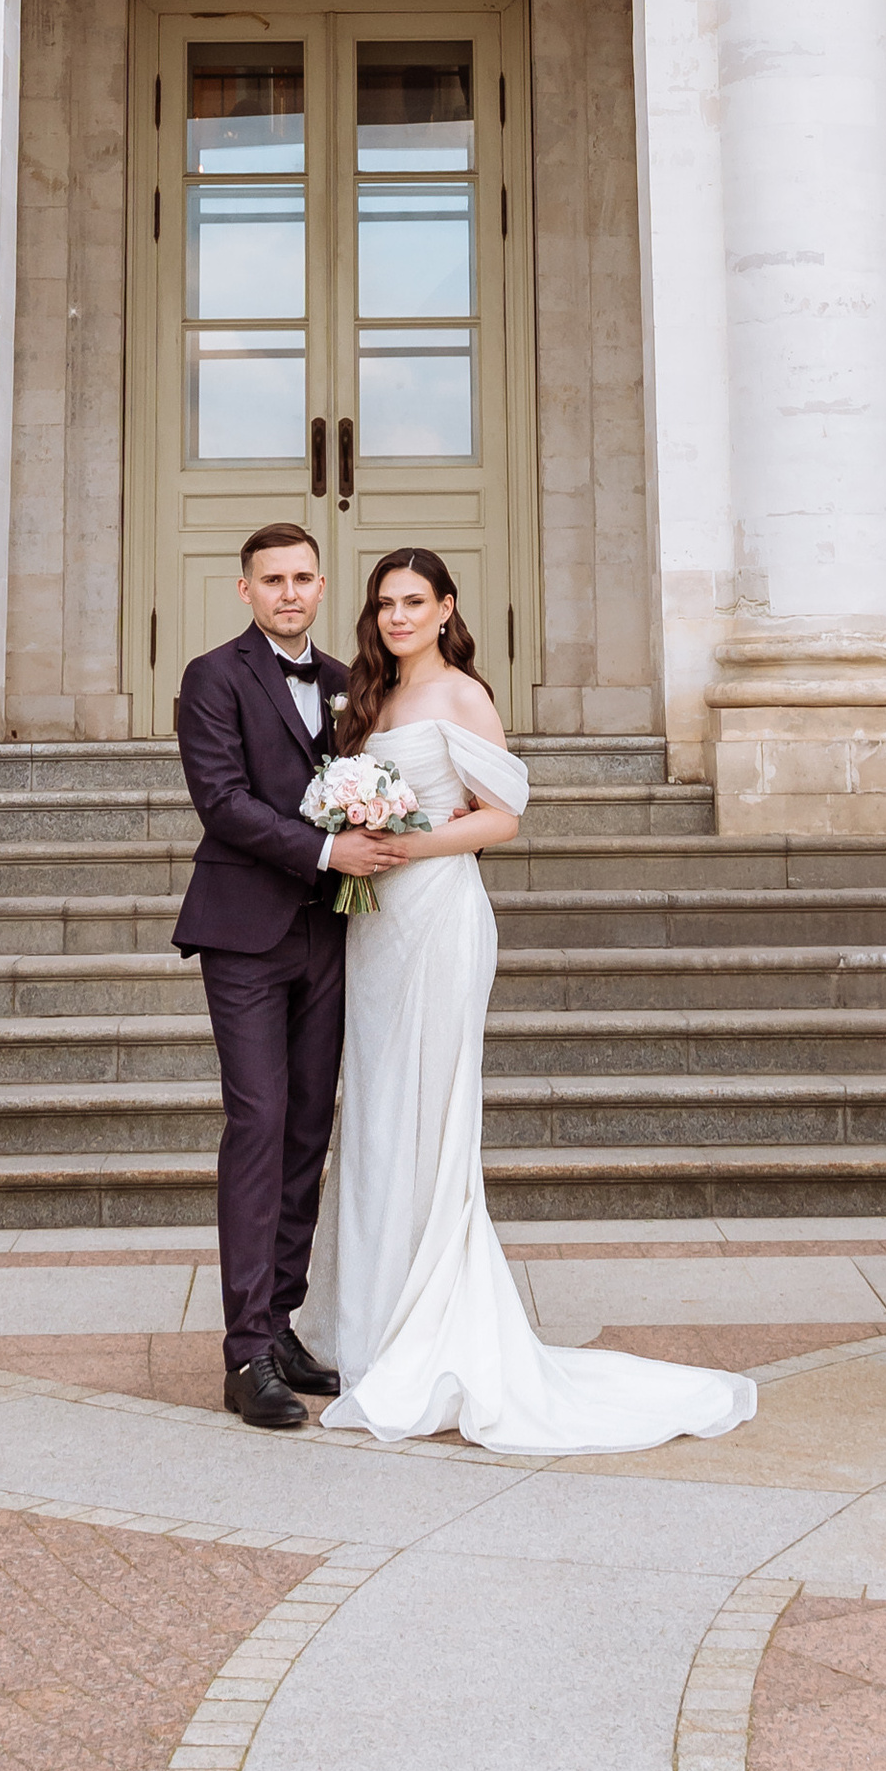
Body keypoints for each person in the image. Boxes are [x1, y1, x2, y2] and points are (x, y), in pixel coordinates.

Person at [301, 548, 757, 1454]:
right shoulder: (367, 697)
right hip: (375, 926)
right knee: (381, 1115)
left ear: (445, 609)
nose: (396, 617)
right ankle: (370, 1323)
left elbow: (502, 816)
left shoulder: (462, 695)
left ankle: (431, 1329)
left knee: (430, 1116)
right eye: (385, 603)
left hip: (436, 917)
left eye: (413, 602)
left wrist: (401, 841)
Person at [170, 521, 389, 1429]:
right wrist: (332, 847)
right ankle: (245, 1352)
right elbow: (222, 803)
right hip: (246, 932)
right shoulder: (212, 678)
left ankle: (284, 1322)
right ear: (245, 589)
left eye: (303, 579)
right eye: (273, 580)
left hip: (333, 935)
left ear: (321, 585)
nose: (290, 593)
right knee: (258, 1122)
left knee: (308, 1126)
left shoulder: (348, 684)